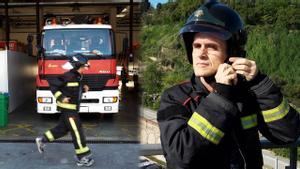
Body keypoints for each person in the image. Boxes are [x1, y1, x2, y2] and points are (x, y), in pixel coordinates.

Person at [157, 1, 300, 169]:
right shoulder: (176, 97)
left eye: (211, 47)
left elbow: (288, 134)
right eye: (196, 46)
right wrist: (221, 96)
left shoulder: (246, 94)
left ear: (232, 54)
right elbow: (179, 159)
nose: (201, 54)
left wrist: (261, 84)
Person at [35, 54, 94, 167]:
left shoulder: (78, 76)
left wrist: (84, 88)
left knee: (62, 129)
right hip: (68, 110)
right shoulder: (68, 75)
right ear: (78, 66)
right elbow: (53, 86)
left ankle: (42, 140)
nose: (85, 69)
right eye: (84, 67)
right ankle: (82, 157)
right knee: (77, 131)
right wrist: (61, 97)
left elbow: (74, 89)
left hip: (72, 109)